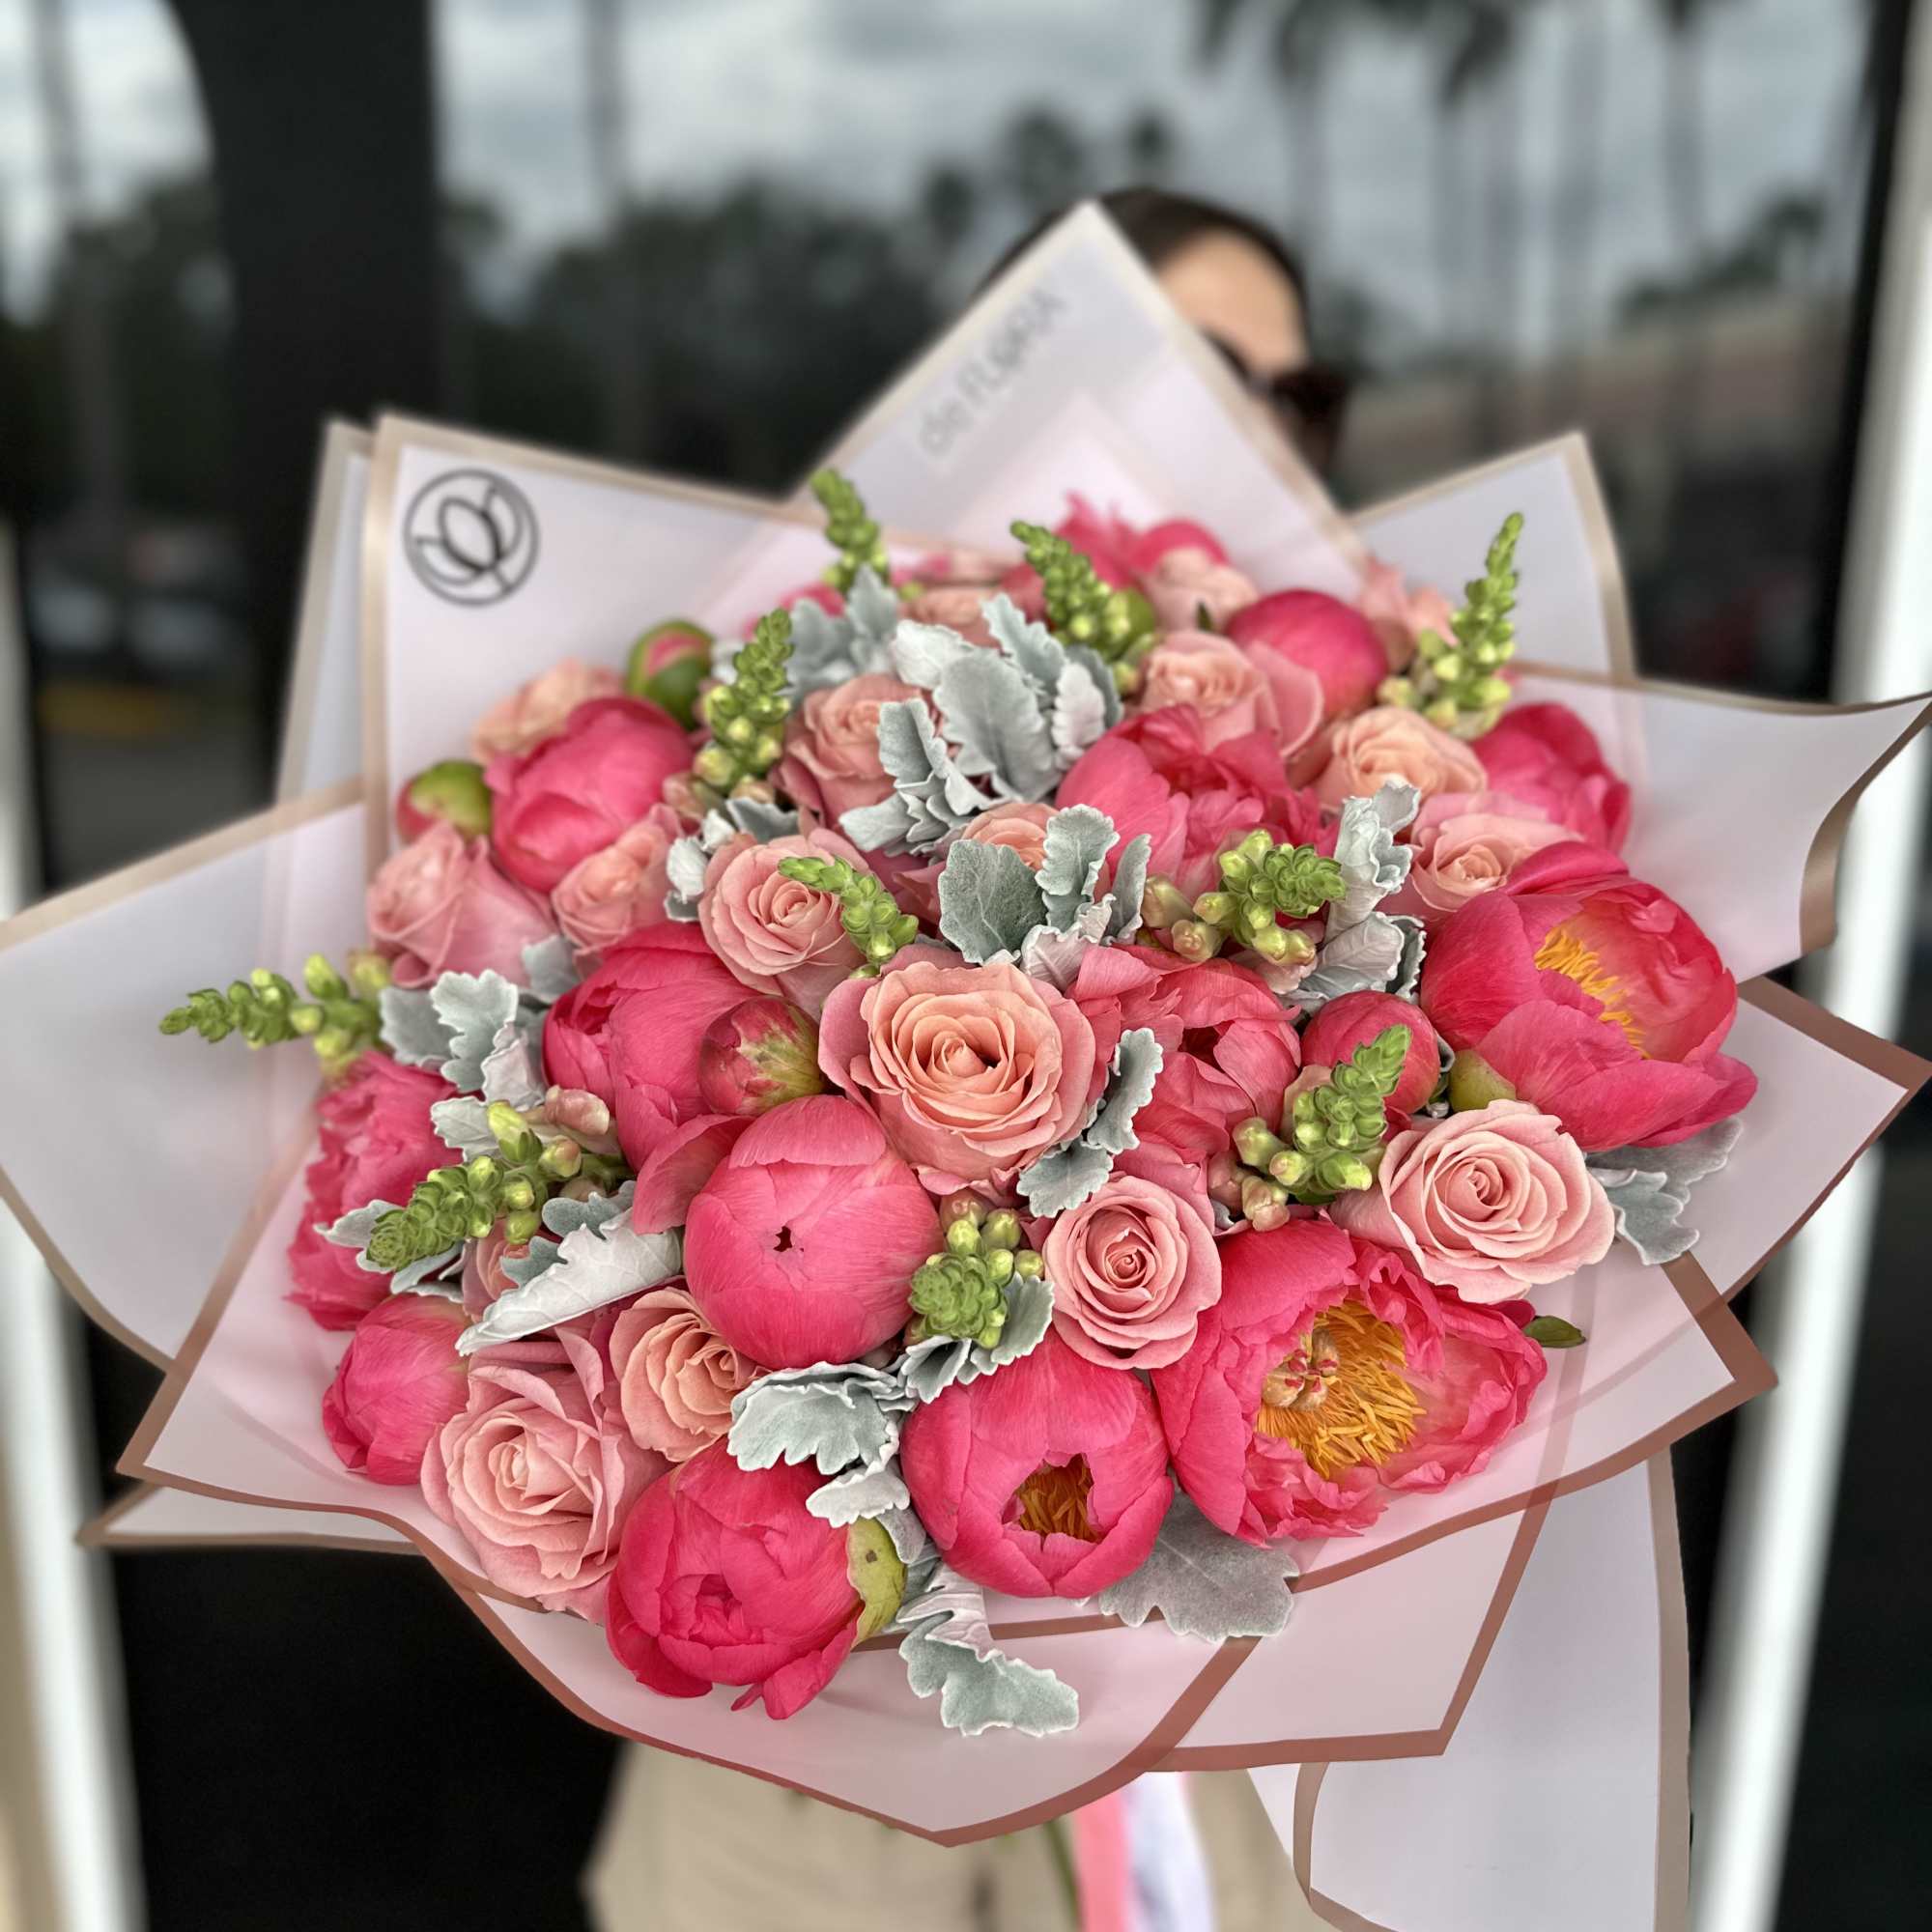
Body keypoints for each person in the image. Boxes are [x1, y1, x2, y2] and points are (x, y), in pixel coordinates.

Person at [586, 188, 1331, 1932]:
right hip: (816, 1756)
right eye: (1206, 372)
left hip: (1216, 1758)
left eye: (1304, 397)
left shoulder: (1358, 763)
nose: (1263, 434)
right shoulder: (806, 707)